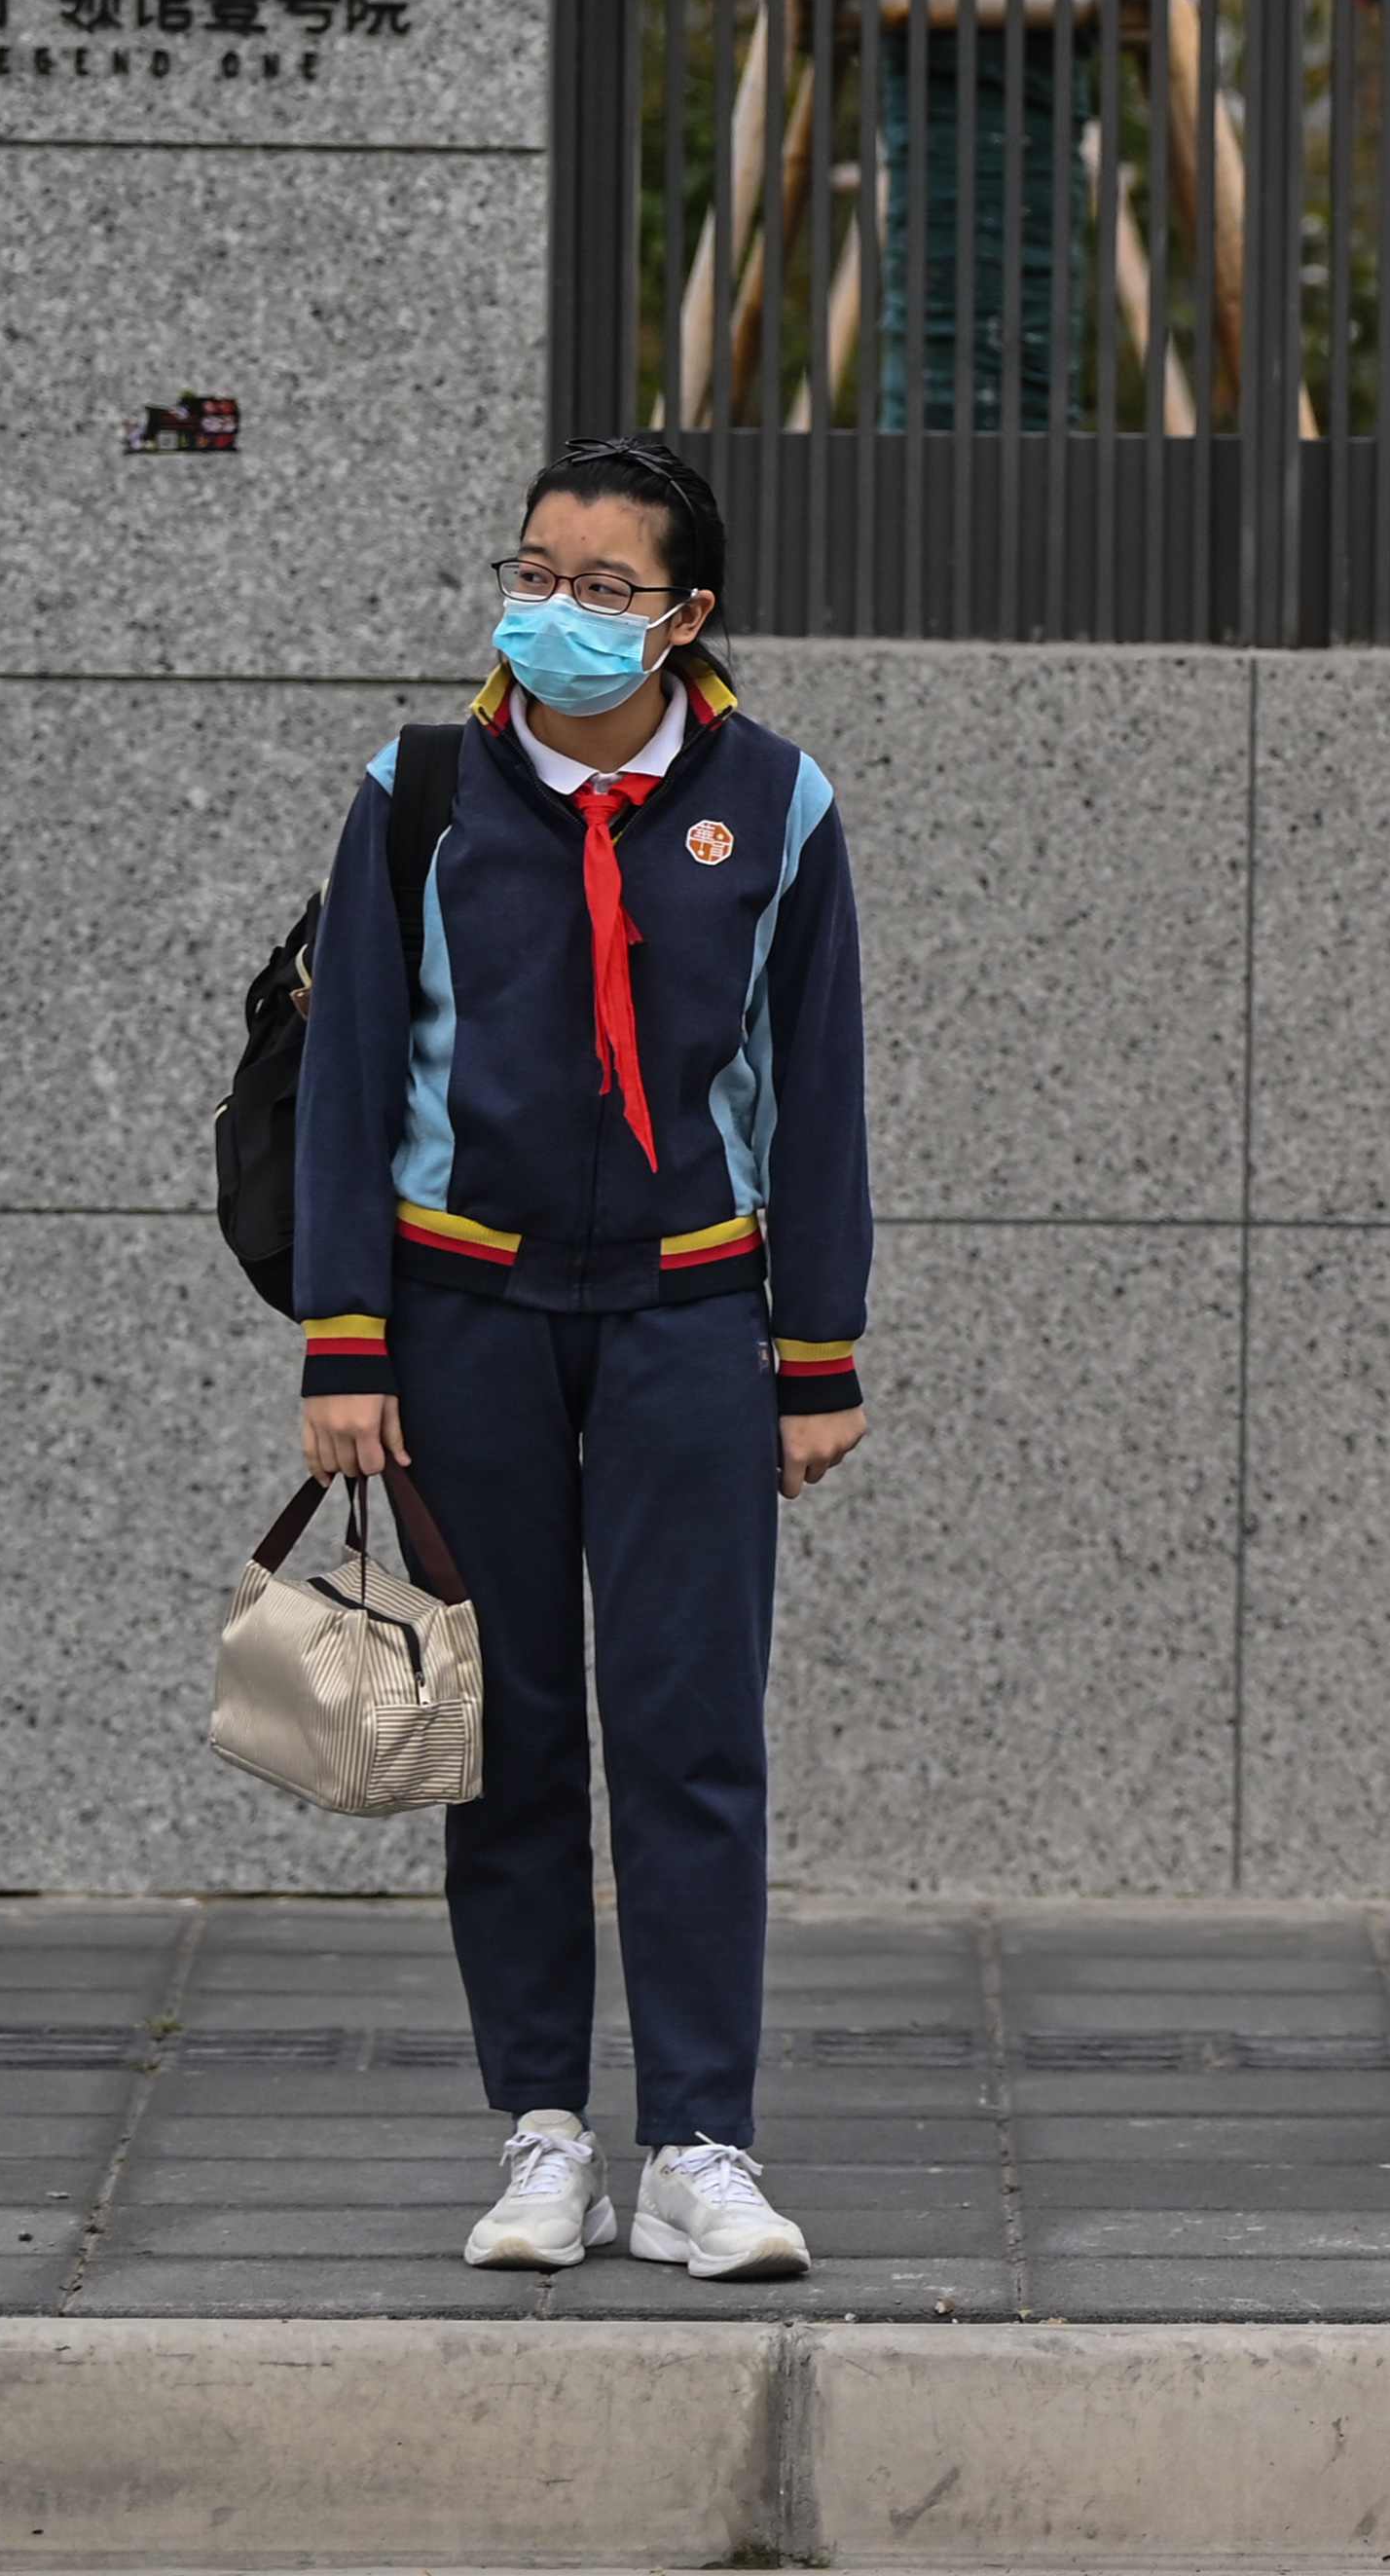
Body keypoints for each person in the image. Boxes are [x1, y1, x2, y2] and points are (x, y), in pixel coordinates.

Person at [292, 436, 868, 2284]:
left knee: (695, 1740)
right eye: (534, 572)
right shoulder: (423, 793)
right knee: (512, 1740)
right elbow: (349, 1083)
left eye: (604, 588)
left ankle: (703, 2141)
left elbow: (821, 1097)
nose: (554, 611)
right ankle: (542, 2132)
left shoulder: (775, 806)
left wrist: (818, 1353)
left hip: (692, 1316)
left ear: (687, 618)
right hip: (463, 1323)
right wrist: (344, 1342)